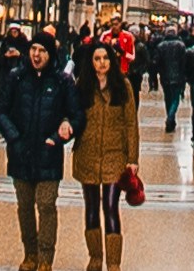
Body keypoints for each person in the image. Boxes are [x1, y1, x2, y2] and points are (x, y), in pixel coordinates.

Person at [0, 30, 75, 271]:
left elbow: (75, 115)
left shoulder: (62, 81)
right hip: (21, 152)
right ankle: (29, 254)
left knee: (47, 204)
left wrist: (63, 129)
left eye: (42, 51)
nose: (36, 55)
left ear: (50, 54)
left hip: (49, 153)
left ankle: (45, 259)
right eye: (33, 50)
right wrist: (14, 138)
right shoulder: (16, 77)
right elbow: (0, 110)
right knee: (25, 206)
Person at [73, 38, 140, 270]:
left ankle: (113, 263)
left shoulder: (123, 86)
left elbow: (131, 123)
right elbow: (74, 115)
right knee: (91, 206)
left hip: (114, 155)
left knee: (110, 206)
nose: (101, 63)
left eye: (105, 59)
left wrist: (133, 158)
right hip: (88, 154)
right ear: (90, 62)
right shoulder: (82, 85)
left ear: (112, 61)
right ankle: (95, 257)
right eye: (97, 59)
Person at [154, 25, 187, 132]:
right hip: (178, 76)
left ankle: (170, 118)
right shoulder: (181, 45)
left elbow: (156, 62)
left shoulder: (160, 46)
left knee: (168, 98)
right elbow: (184, 63)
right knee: (175, 99)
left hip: (165, 76)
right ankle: (170, 118)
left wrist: (158, 73)